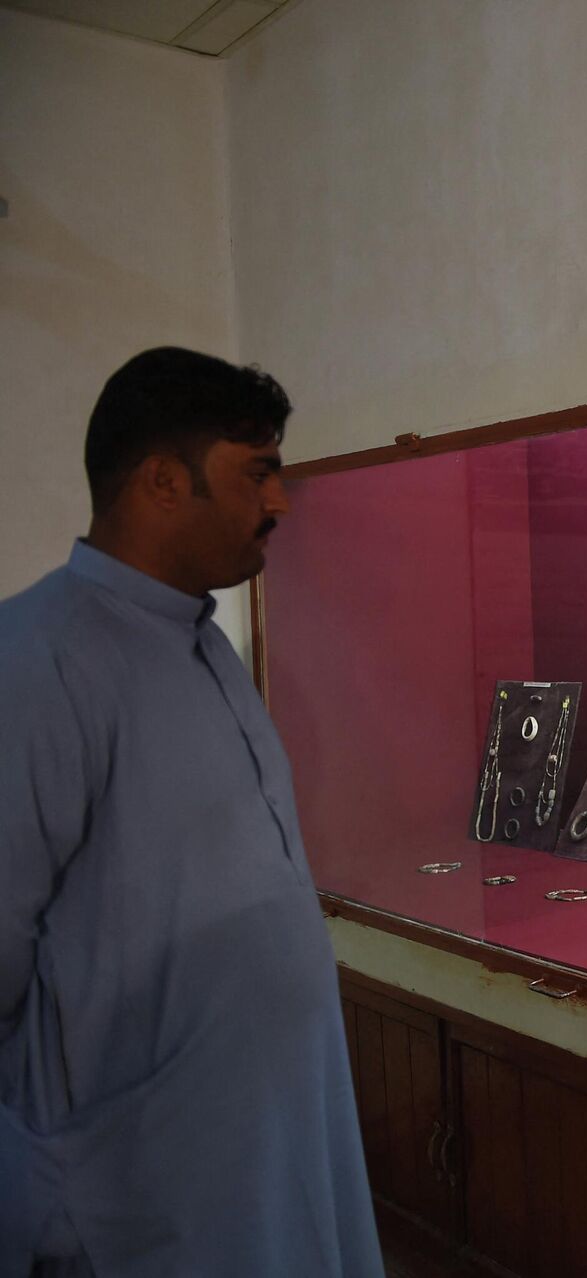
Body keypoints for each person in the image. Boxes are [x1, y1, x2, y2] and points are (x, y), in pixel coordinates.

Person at [0, 349, 381, 1276]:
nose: (280, 502)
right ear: (163, 481)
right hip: (141, 1191)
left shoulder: (203, 644)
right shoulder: (39, 662)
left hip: (267, 1148)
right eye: (256, 472)